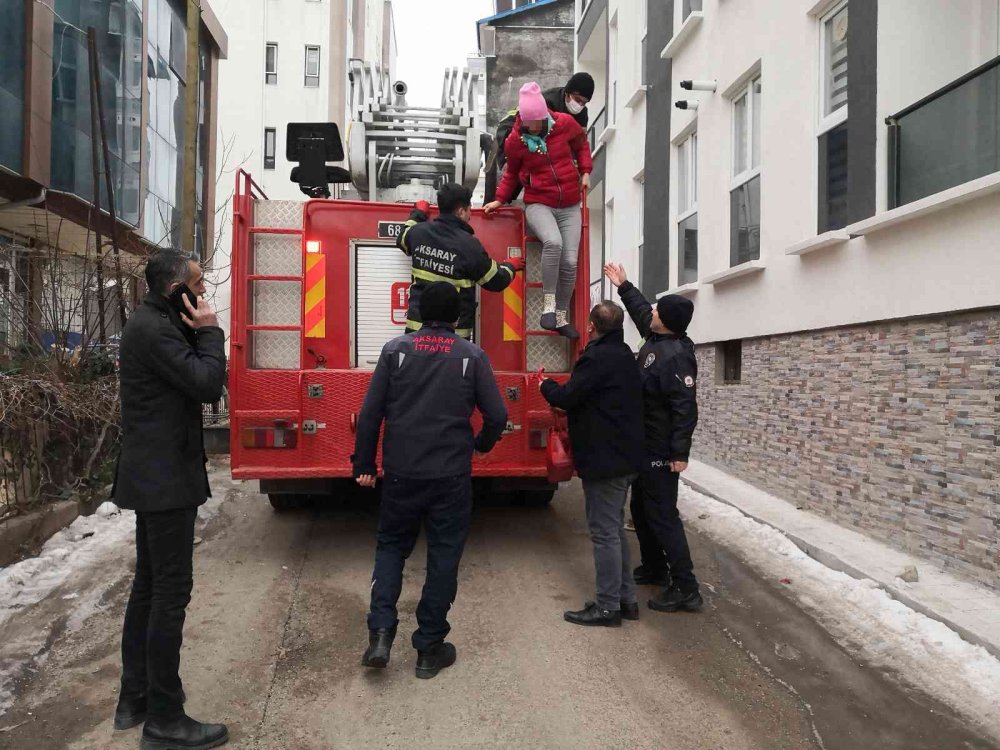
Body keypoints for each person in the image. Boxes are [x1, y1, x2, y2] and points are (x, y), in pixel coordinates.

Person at [353, 282, 507, 679]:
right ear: (457, 317)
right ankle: (429, 649)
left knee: (391, 548)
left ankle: (381, 636)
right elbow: (497, 416)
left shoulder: (395, 351)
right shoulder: (471, 356)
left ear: (417, 311)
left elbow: (371, 414)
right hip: (450, 478)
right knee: (442, 556)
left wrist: (365, 465)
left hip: (402, 474)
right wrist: (480, 445)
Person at [112, 250, 229, 748]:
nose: (203, 294)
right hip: (163, 480)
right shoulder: (155, 330)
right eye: (198, 285)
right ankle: (164, 718)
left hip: (156, 475)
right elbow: (206, 384)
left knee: (149, 588)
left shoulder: (155, 322)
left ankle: (134, 699)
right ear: (173, 289)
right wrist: (210, 330)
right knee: (168, 595)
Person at [603, 262, 703, 613]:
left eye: (660, 310)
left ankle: (686, 586)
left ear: (669, 321)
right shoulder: (658, 336)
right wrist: (624, 285)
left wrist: (680, 453)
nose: (654, 311)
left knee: (663, 515)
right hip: (645, 444)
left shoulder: (675, 358)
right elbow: (643, 310)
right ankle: (656, 567)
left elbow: (684, 409)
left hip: (661, 449)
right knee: (641, 509)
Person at [539, 301, 644, 627]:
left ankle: (608, 607)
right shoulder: (625, 354)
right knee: (612, 530)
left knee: (604, 534)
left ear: (591, 326)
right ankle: (625, 600)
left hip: (606, 460)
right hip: (624, 457)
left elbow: (567, 397)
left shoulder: (596, 358)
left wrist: (544, 384)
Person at [484, 82, 593, 339]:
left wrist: (586, 171)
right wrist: (500, 200)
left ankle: (562, 317)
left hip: (569, 204)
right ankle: (548, 307)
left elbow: (581, 145)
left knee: (570, 261)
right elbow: (511, 173)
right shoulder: (516, 141)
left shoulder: (564, 124)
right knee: (552, 243)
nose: (536, 126)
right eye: (531, 122)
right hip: (538, 203)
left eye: (540, 120)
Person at [398, 183, 525, 340]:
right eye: (469, 209)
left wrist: (418, 214)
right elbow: (495, 280)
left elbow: (402, 238)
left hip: (416, 331)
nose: (470, 215)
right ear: (460, 211)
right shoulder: (469, 246)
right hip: (454, 338)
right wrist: (511, 265)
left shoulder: (419, 232)